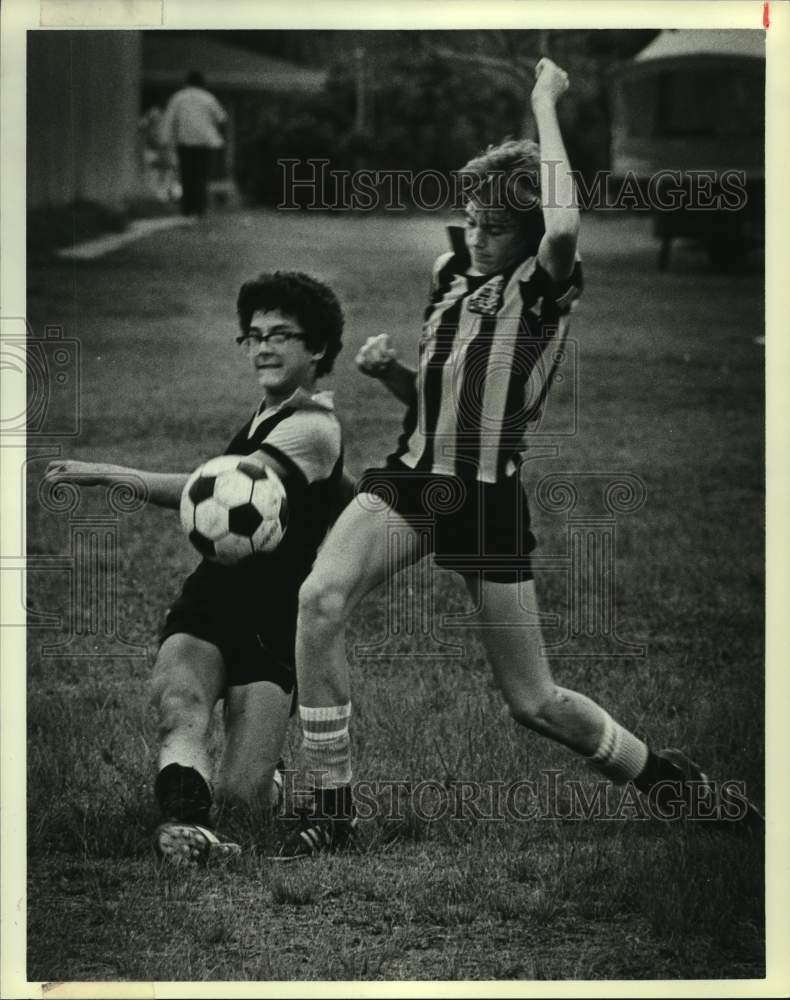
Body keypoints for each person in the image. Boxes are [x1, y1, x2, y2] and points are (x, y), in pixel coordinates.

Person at [283, 58, 763, 857]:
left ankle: (670, 784)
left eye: (495, 226)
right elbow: (450, 405)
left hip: (487, 502)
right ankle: (331, 810)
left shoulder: (544, 286)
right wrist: (395, 374)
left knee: (535, 702)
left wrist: (544, 102)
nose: (476, 234)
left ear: (530, 235)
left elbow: (566, 225)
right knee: (320, 600)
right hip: (409, 483)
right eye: (471, 218)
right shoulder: (448, 278)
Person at [45, 271, 347, 864]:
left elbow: (226, 487)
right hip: (212, 596)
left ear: (317, 349)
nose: (263, 345)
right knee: (178, 704)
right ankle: (185, 825)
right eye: (253, 334)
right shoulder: (269, 414)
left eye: (281, 334)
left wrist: (112, 474)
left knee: (242, 799)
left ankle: (269, 784)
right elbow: (332, 491)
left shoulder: (314, 425)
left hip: (273, 618)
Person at [161, 69, 228, 217]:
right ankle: (200, 208)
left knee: (187, 175)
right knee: (201, 175)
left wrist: (165, 139)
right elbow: (222, 117)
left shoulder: (178, 97)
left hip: (185, 141)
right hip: (204, 142)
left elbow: (169, 119)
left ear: (187, 82)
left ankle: (187, 208)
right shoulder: (208, 98)